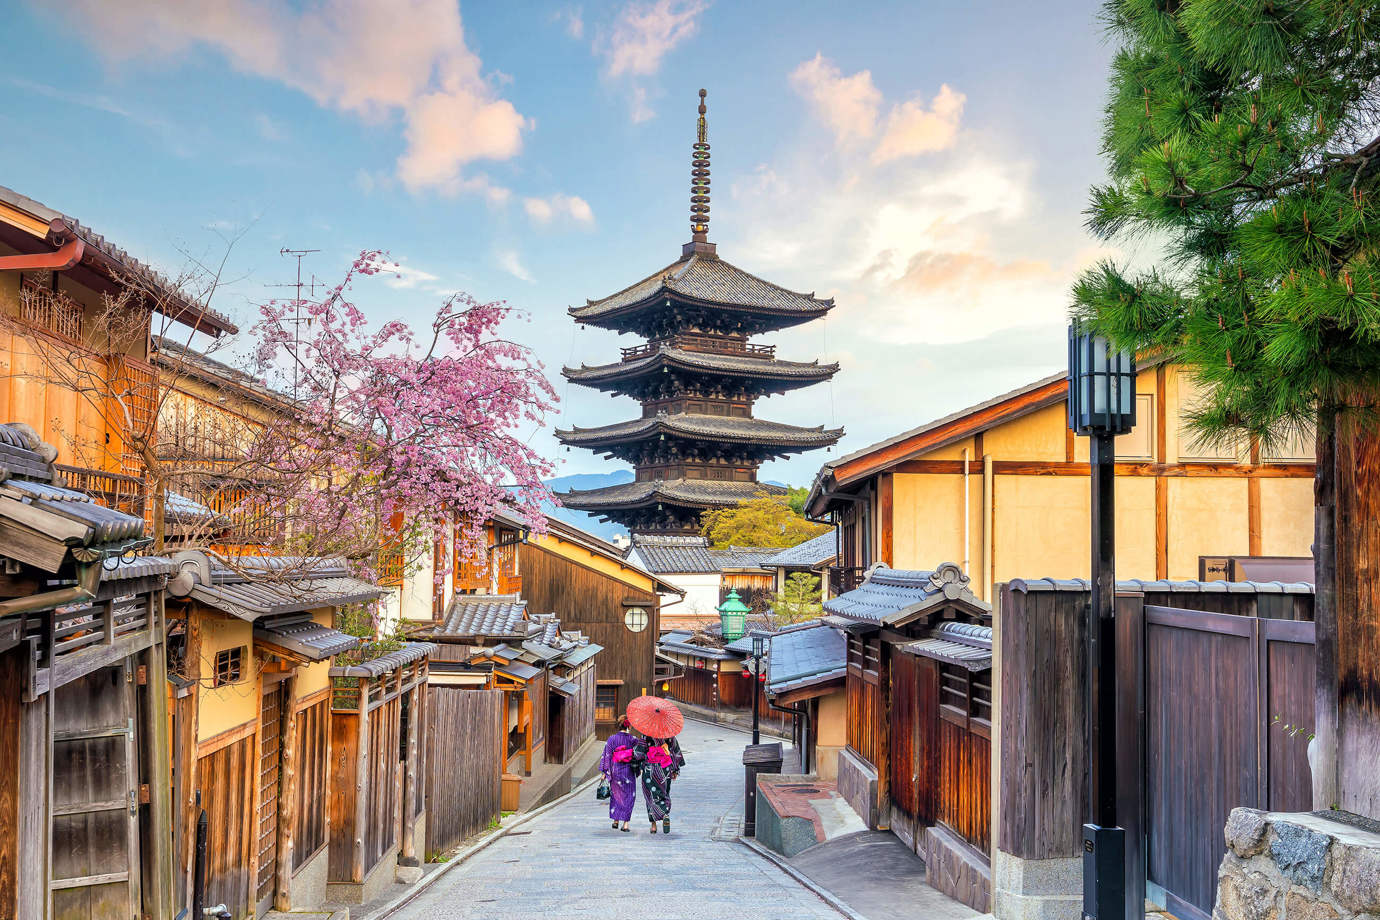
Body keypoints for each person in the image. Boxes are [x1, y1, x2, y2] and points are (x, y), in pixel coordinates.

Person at [633, 734, 684, 834]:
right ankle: (665, 813)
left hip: (650, 769)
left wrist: (636, 764)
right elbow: (674, 751)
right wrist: (675, 770)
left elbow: (639, 754)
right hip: (665, 768)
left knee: (650, 795)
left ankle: (653, 826)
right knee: (664, 793)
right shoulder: (669, 734)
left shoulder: (646, 734)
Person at [599, 715, 638, 832]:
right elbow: (638, 755)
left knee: (617, 795)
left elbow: (607, 756)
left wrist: (605, 772)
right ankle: (625, 824)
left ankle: (616, 820)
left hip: (615, 770)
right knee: (629, 796)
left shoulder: (612, 739)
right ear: (628, 726)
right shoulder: (633, 739)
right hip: (628, 771)